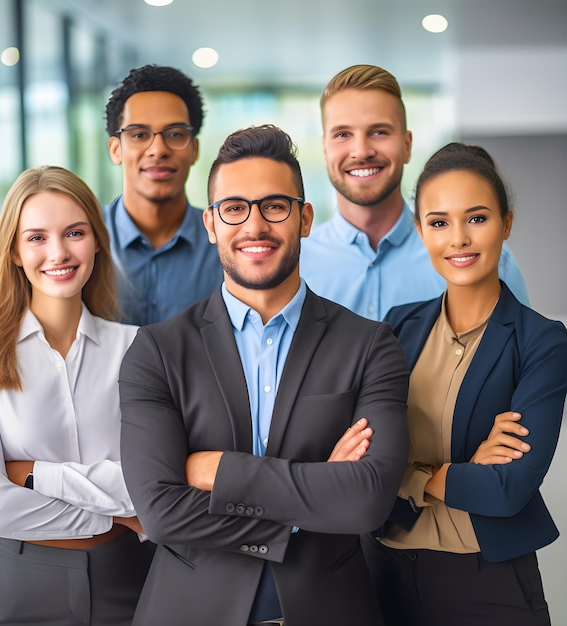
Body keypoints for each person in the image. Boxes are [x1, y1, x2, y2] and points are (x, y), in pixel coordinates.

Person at [119, 124, 410, 626]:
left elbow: (366, 501)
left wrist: (220, 473)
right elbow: (160, 512)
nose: (255, 225)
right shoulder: (156, 351)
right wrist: (314, 496)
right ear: (211, 223)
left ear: (304, 218)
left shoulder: (370, 345)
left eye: (275, 205)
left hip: (330, 609)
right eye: (234, 208)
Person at [361, 143, 567, 626]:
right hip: (384, 571)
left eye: (476, 218)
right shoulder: (397, 328)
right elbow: (362, 462)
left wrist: (415, 475)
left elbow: (506, 489)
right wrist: (463, 469)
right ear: (420, 233)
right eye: (438, 222)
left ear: (506, 224)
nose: (458, 239)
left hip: (488, 583)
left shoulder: (542, 341)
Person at [0, 166, 154, 625]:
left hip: (133, 578)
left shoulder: (140, 349)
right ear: (15, 252)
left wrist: (36, 474)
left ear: (97, 240)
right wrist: (118, 518)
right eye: (36, 237)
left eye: (74, 232)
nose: (58, 252)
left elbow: (151, 487)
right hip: (20, 583)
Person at [300, 64, 529, 321]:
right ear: (324, 148)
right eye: (343, 134)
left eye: (379, 132)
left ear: (407, 145)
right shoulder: (295, 264)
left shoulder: (482, 257)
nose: (361, 151)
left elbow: (523, 348)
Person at [104, 63, 223, 325]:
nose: (158, 149)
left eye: (175, 134)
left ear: (194, 149)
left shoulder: (225, 243)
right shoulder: (85, 239)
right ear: (116, 150)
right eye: (139, 134)